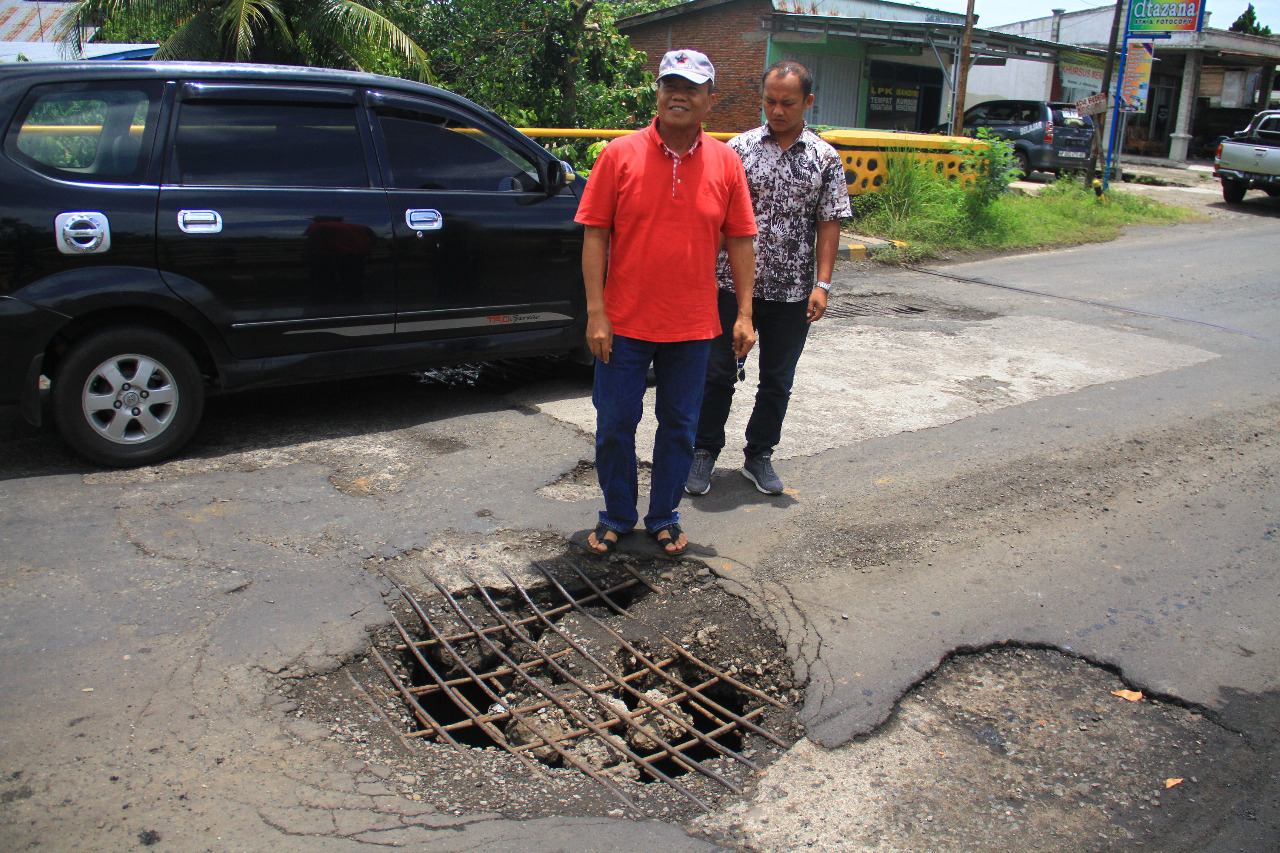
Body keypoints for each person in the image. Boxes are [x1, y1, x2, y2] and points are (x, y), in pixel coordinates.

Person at [574, 49, 757, 557]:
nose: (678, 94)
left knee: (680, 428)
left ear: (709, 100)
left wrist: (743, 314)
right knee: (615, 423)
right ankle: (616, 513)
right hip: (624, 324)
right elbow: (595, 236)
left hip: (694, 327)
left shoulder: (726, 162)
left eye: (691, 87)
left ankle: (664, 516)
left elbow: (741, 239)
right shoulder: (619, 154)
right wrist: (596, 313)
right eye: (669, 84)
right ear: (657, 92)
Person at [686, 60, 852, 497]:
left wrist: (824, 283)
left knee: (777, 379)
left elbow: (829, 222)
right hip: (728, 284)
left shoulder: (824, 158)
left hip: (792, 290)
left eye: (788, 103)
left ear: (808, 103)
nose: (777, 110)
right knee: (717, 373)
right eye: (770, 101)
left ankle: (759, 454)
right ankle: (703, 451)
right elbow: (712, 216)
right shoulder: (736, 150)